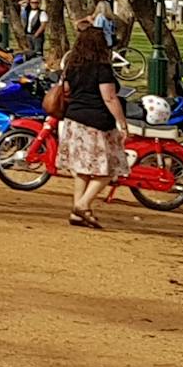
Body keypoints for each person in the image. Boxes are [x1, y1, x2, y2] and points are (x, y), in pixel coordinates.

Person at [59, 19, 130, 229]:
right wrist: (122, 123)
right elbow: (109, 97)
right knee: (108, 169)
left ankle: (78, 210)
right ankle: (82, 205)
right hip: (97, 123)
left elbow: (66, 90)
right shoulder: (102, 68)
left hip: (74, 121)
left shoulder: (73, 65)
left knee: (81, 169)